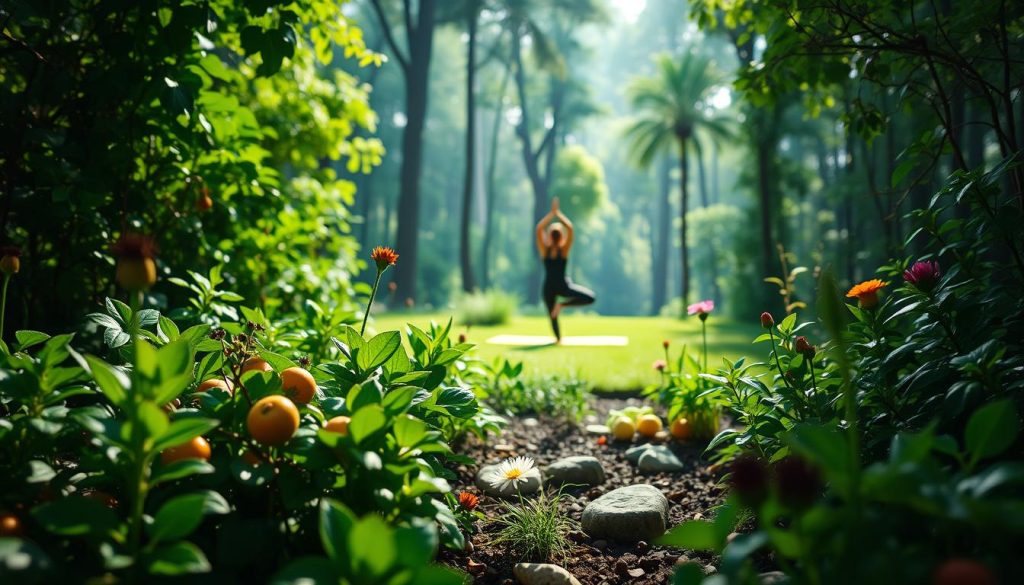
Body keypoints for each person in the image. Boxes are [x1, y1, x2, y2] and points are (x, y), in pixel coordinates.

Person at [535, 197, 595, 341]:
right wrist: (557, 214)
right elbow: (569, 228)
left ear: (551, 236)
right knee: (555, 316)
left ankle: (560, 309)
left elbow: (539, 229)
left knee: (554, 317)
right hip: (556, 287)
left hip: (556, 287)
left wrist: (552, 214)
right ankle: (560, 311)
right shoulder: (559, 251)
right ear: (561, 236)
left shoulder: (550, 251)